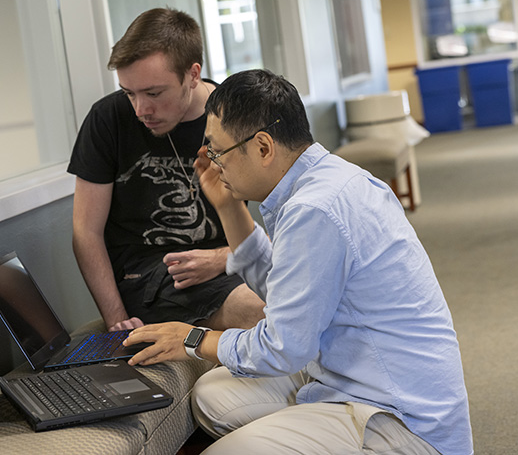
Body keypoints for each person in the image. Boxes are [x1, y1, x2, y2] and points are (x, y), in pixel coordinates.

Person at [123, 69, 474, 454]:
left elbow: (282, 347)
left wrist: (191, 338)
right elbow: (285, 293)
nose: (214, 163)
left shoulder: (315, 209)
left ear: (262, 147)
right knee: (213, 395)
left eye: (218, 151)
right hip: (354, 375)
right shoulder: (323, 180)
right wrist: (228, 208)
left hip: (399, 418)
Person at [67, 8, 265, 332]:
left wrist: (220, 259)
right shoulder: (107, 120)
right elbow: (85, 232)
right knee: (266, 311)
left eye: (154, 93)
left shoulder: (235, 117)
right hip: (151, 275)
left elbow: (276, 223)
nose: (141, 110)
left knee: (311, 292)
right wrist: (117, 319)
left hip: (228, 261)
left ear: (193, 74)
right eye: (129, 92)